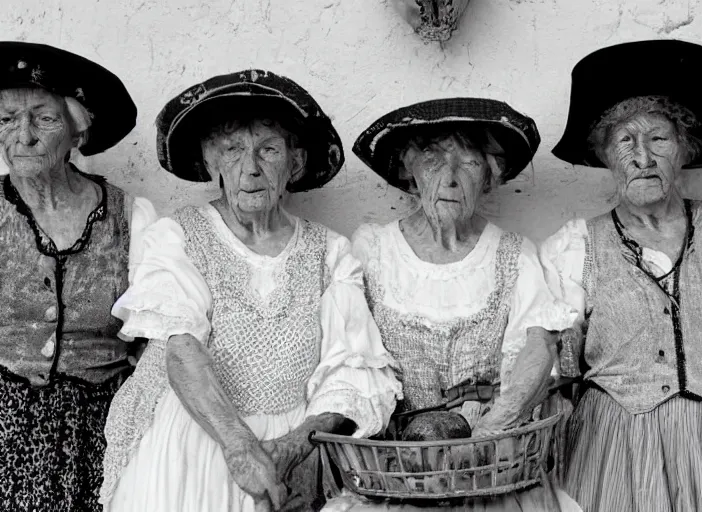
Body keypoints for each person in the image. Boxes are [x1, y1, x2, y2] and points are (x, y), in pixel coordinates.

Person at [99, 69, 402, 512]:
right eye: (233, 150)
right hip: (196, 440)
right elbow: (181, 350)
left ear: (294, 164)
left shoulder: (331, 252)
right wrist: (240, 446)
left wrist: (296, 445)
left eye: (269, 150)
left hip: (294, 447)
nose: (251, 168)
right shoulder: (177, 235)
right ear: (211, 163)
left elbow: (350, 367)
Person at [323, 98, 582, 511]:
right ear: (409, 169)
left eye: (470, 162)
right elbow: (351, 363)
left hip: (492, 473)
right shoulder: (372, 249)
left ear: (490, 176)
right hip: (398, 476)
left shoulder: (515, 253)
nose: (451, 177)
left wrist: (490, 432)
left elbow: (540, 345)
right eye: (433, 159)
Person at [541, 39, 702, 511]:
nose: (643, 157)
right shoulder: (574, 247)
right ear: (604, 155)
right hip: (619, 454)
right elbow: (552, 365)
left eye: (659, 139)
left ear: (685, 149)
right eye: (625, 140)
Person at [0, 41, 152, 511]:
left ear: (76, 132)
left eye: (43, 119)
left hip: (101, 429)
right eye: (6, 120)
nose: (22, 136)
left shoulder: (131, 216)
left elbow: (155, 339)